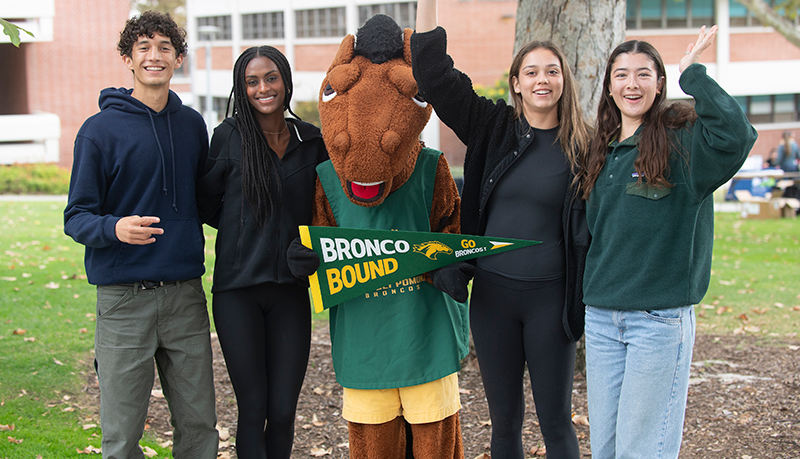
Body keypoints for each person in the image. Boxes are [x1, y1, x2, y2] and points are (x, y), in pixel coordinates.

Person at [411, 1, 592, 457]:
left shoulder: (586, 146)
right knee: (504, 424)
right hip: (493, 300)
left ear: (563, 80)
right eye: (531, 72)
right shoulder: (492, 127)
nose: (542, 80)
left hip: (552, 303)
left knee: (555, 422)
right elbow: (433, 75)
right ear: (516, 83)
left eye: (551, 71)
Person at [580, 26, 757, 459]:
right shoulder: (601, 151)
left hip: (656, 320)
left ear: (659, 84)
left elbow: (737, 135)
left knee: (643, 449)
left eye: (644, 74)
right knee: (605, 447)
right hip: (602, 320)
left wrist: (691, 73)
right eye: (621, 75)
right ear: (609, 85)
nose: (632, 84)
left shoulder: (683, 142)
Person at [63, 11, 218, 459]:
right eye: (144, 47)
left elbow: (206, 202)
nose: (155, 56)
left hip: (185, 297)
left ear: (179, 59)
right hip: (123, 300)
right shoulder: (98, 131)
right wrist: (114, 227)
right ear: (127, 59)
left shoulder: (192, 126)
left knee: (199, 426)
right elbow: (76, 217)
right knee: (122, 433)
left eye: (165, 48)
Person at [196, 46, 327, 458]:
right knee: (253, 408)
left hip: (291, 290)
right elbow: (205, 203)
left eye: (270, 77)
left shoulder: (312, 140)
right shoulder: (229, 137)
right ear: (242, 87)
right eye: (252, 81)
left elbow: (325, 211)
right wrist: (245, 230)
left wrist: (309, 246)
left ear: (285, 80)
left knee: (284, 410)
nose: (263, 88)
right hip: (238, 292)